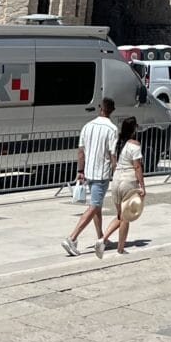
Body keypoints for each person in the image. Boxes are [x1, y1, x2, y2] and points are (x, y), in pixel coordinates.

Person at [62, 96, 117, 259]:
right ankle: (72, 237)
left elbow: (81, 150)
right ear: (112, 110)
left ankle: (101, 237)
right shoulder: (112, 129)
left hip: (89, 171)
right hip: (101, 172)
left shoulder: (87, 126)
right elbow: (112, 154)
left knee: (97, 206)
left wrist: (80, 170)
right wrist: (117, 171)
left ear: (100, 108)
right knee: (94, 206)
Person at [101, 116, 146, 256]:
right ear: (134, 129)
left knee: (120, 215)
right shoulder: (134, 145)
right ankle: (120, 248)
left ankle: (102, 239)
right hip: (128, 180)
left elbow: (113, 164)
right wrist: (142, 185)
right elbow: (137, 166)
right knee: (126, 217)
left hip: (116, 180)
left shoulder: (116, 143)